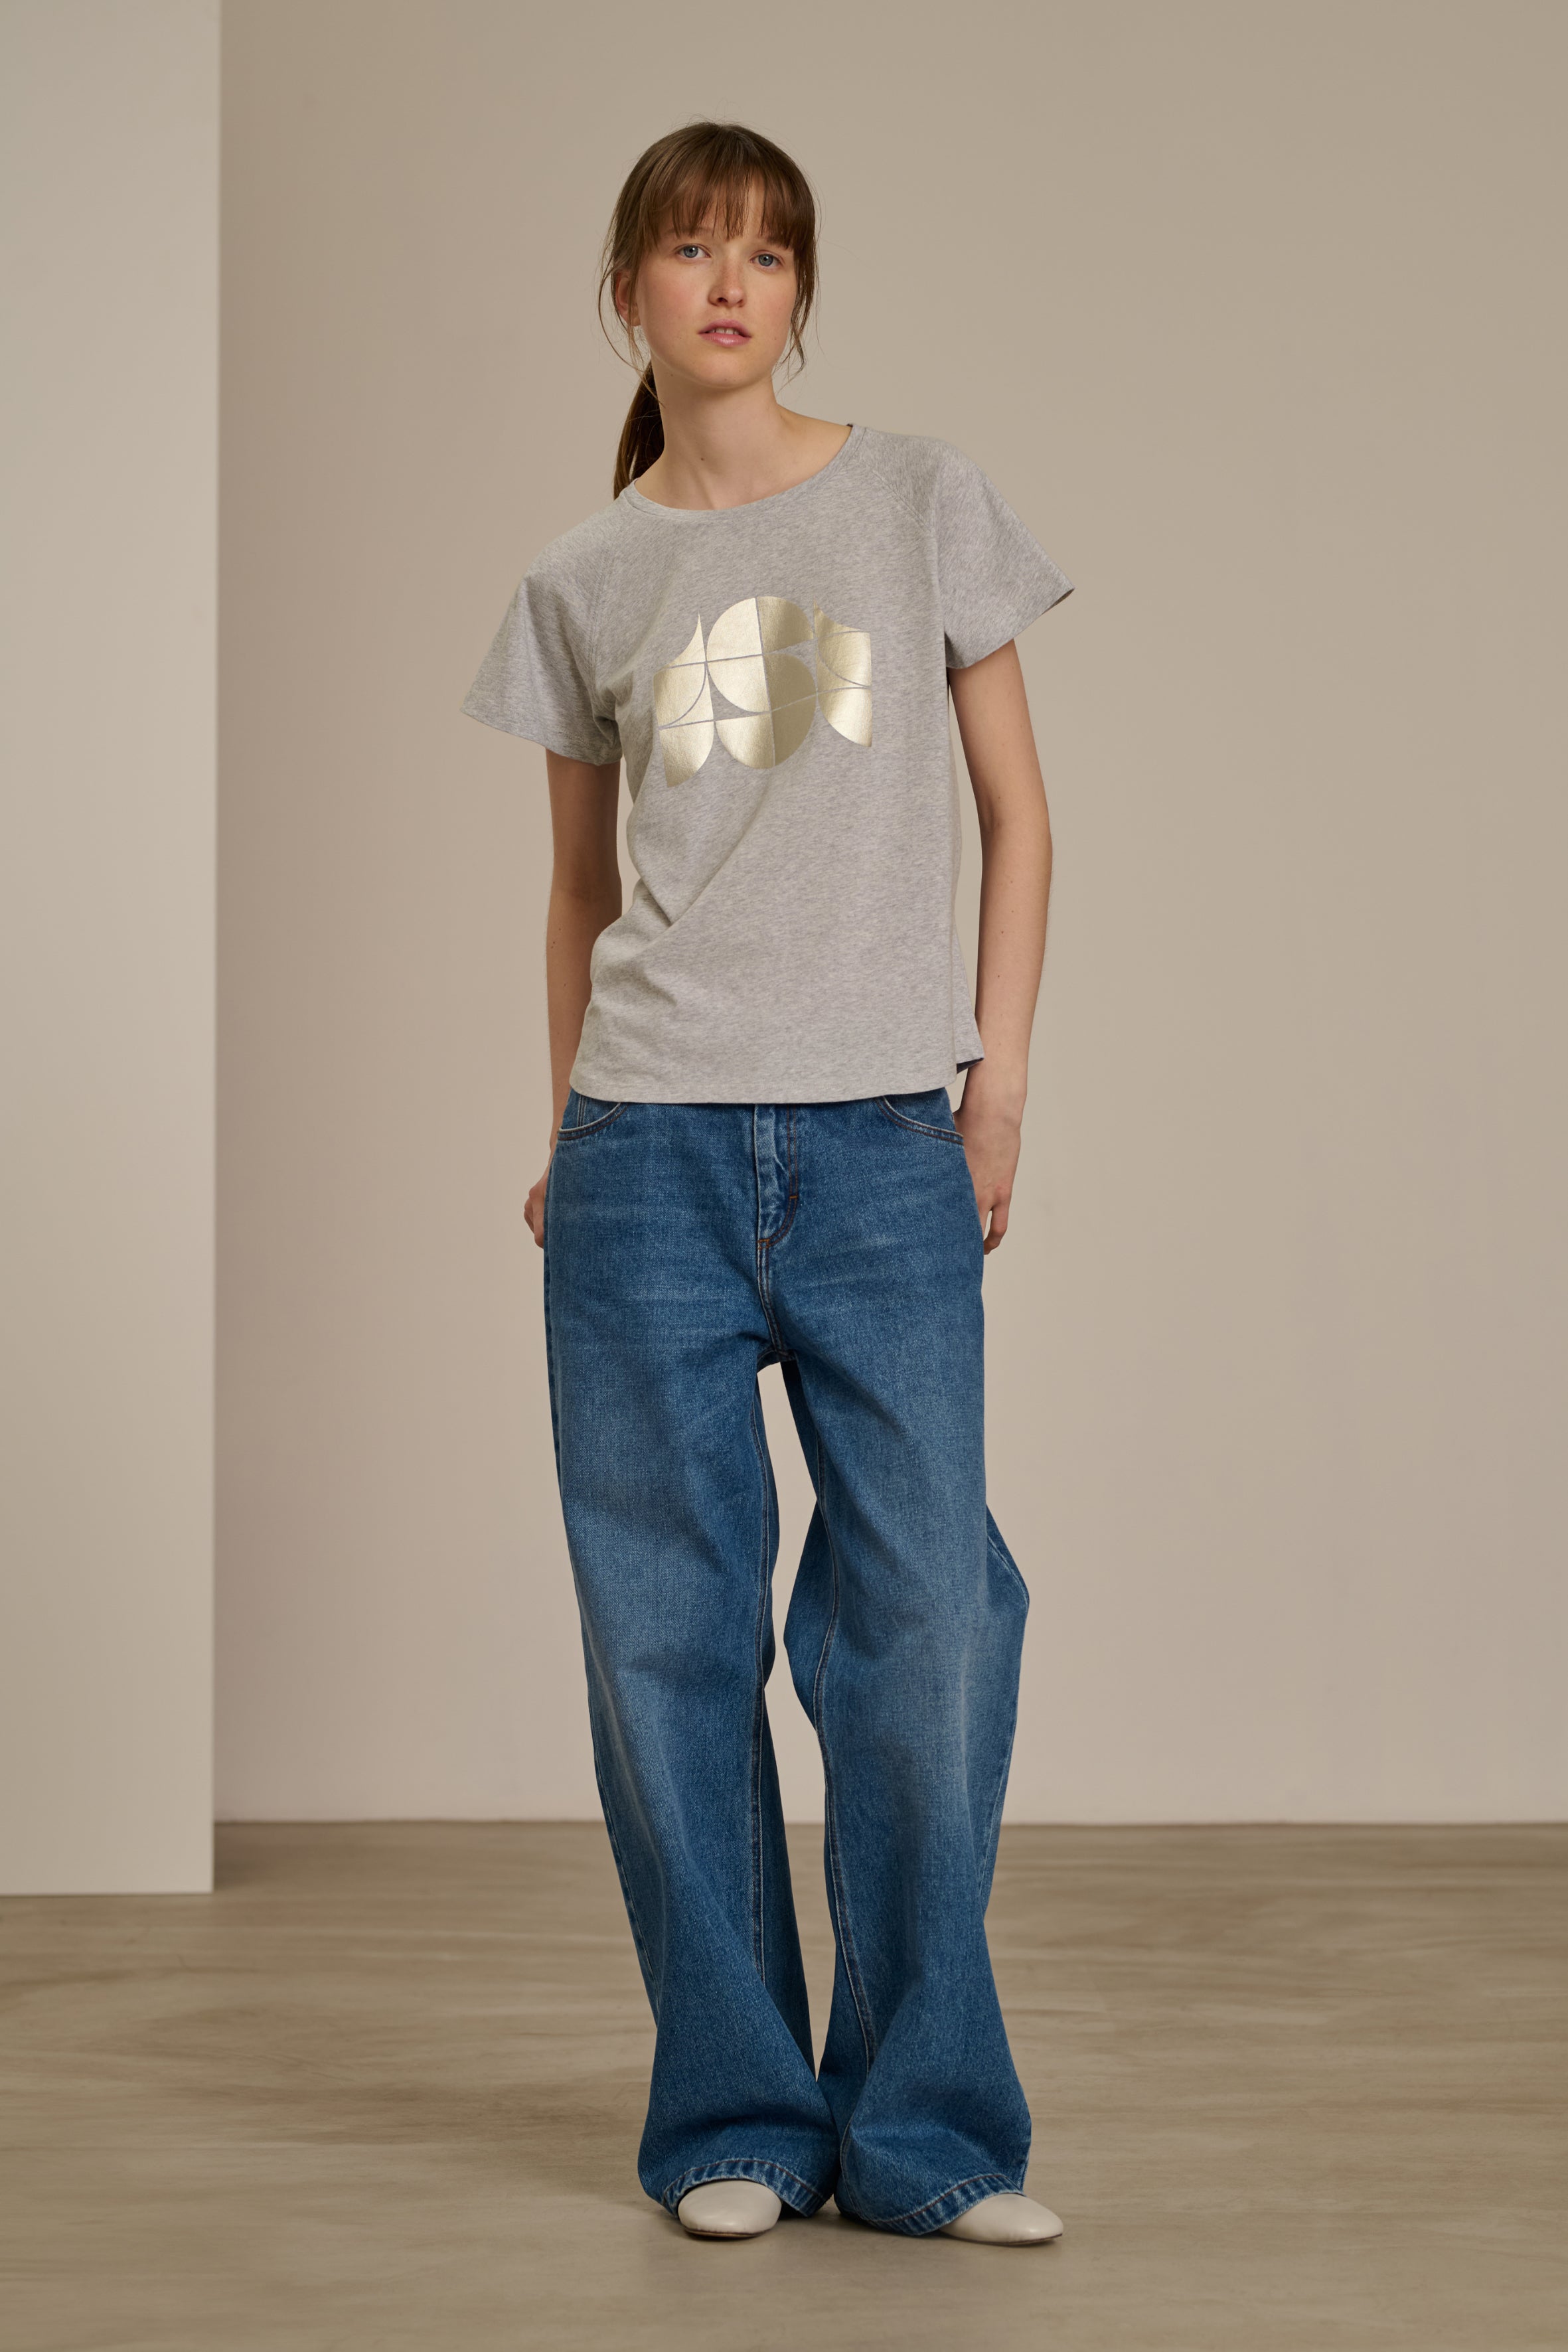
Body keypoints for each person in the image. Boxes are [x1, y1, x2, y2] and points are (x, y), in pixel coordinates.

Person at [461, 119, 1074, 2246]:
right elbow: (574, 891)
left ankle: (924, 2134)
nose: (730, 284)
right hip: (643, 1153)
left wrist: (995, 1089)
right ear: (628, 285)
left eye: (767, 253)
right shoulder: (581, 576)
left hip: (882, 1137)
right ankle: (733, 2117)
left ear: (801, 291)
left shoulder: (918, 499)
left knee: (927, 1623)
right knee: (665, 1642)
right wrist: (564, 1130)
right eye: (690, 248)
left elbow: (1019, 816)